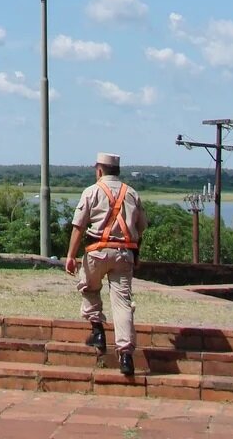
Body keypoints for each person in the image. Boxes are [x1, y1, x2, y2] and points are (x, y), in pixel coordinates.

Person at [65, 151, 148, 377]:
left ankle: (97, 330)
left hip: (96, 252)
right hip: (124, 254)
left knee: (89, 287)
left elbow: (79, 227)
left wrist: (71, 256)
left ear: (99, 170)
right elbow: (141, 227)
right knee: (122, 303)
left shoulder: (92, 191)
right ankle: (126, 356)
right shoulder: (131, 193)